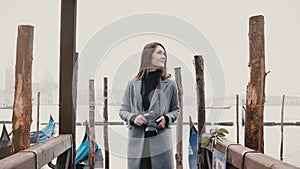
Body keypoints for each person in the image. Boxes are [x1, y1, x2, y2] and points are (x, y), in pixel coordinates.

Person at [119, 42, 180, 169]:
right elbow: (123, 110)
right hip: (137, 146)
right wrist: (133, 118)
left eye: (164, 54)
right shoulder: (132, 83)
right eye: (159, 53)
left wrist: (167, 118)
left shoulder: (170, 84)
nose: (164, 56)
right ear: (148, 56)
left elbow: (176, 110)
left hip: (161, 142)